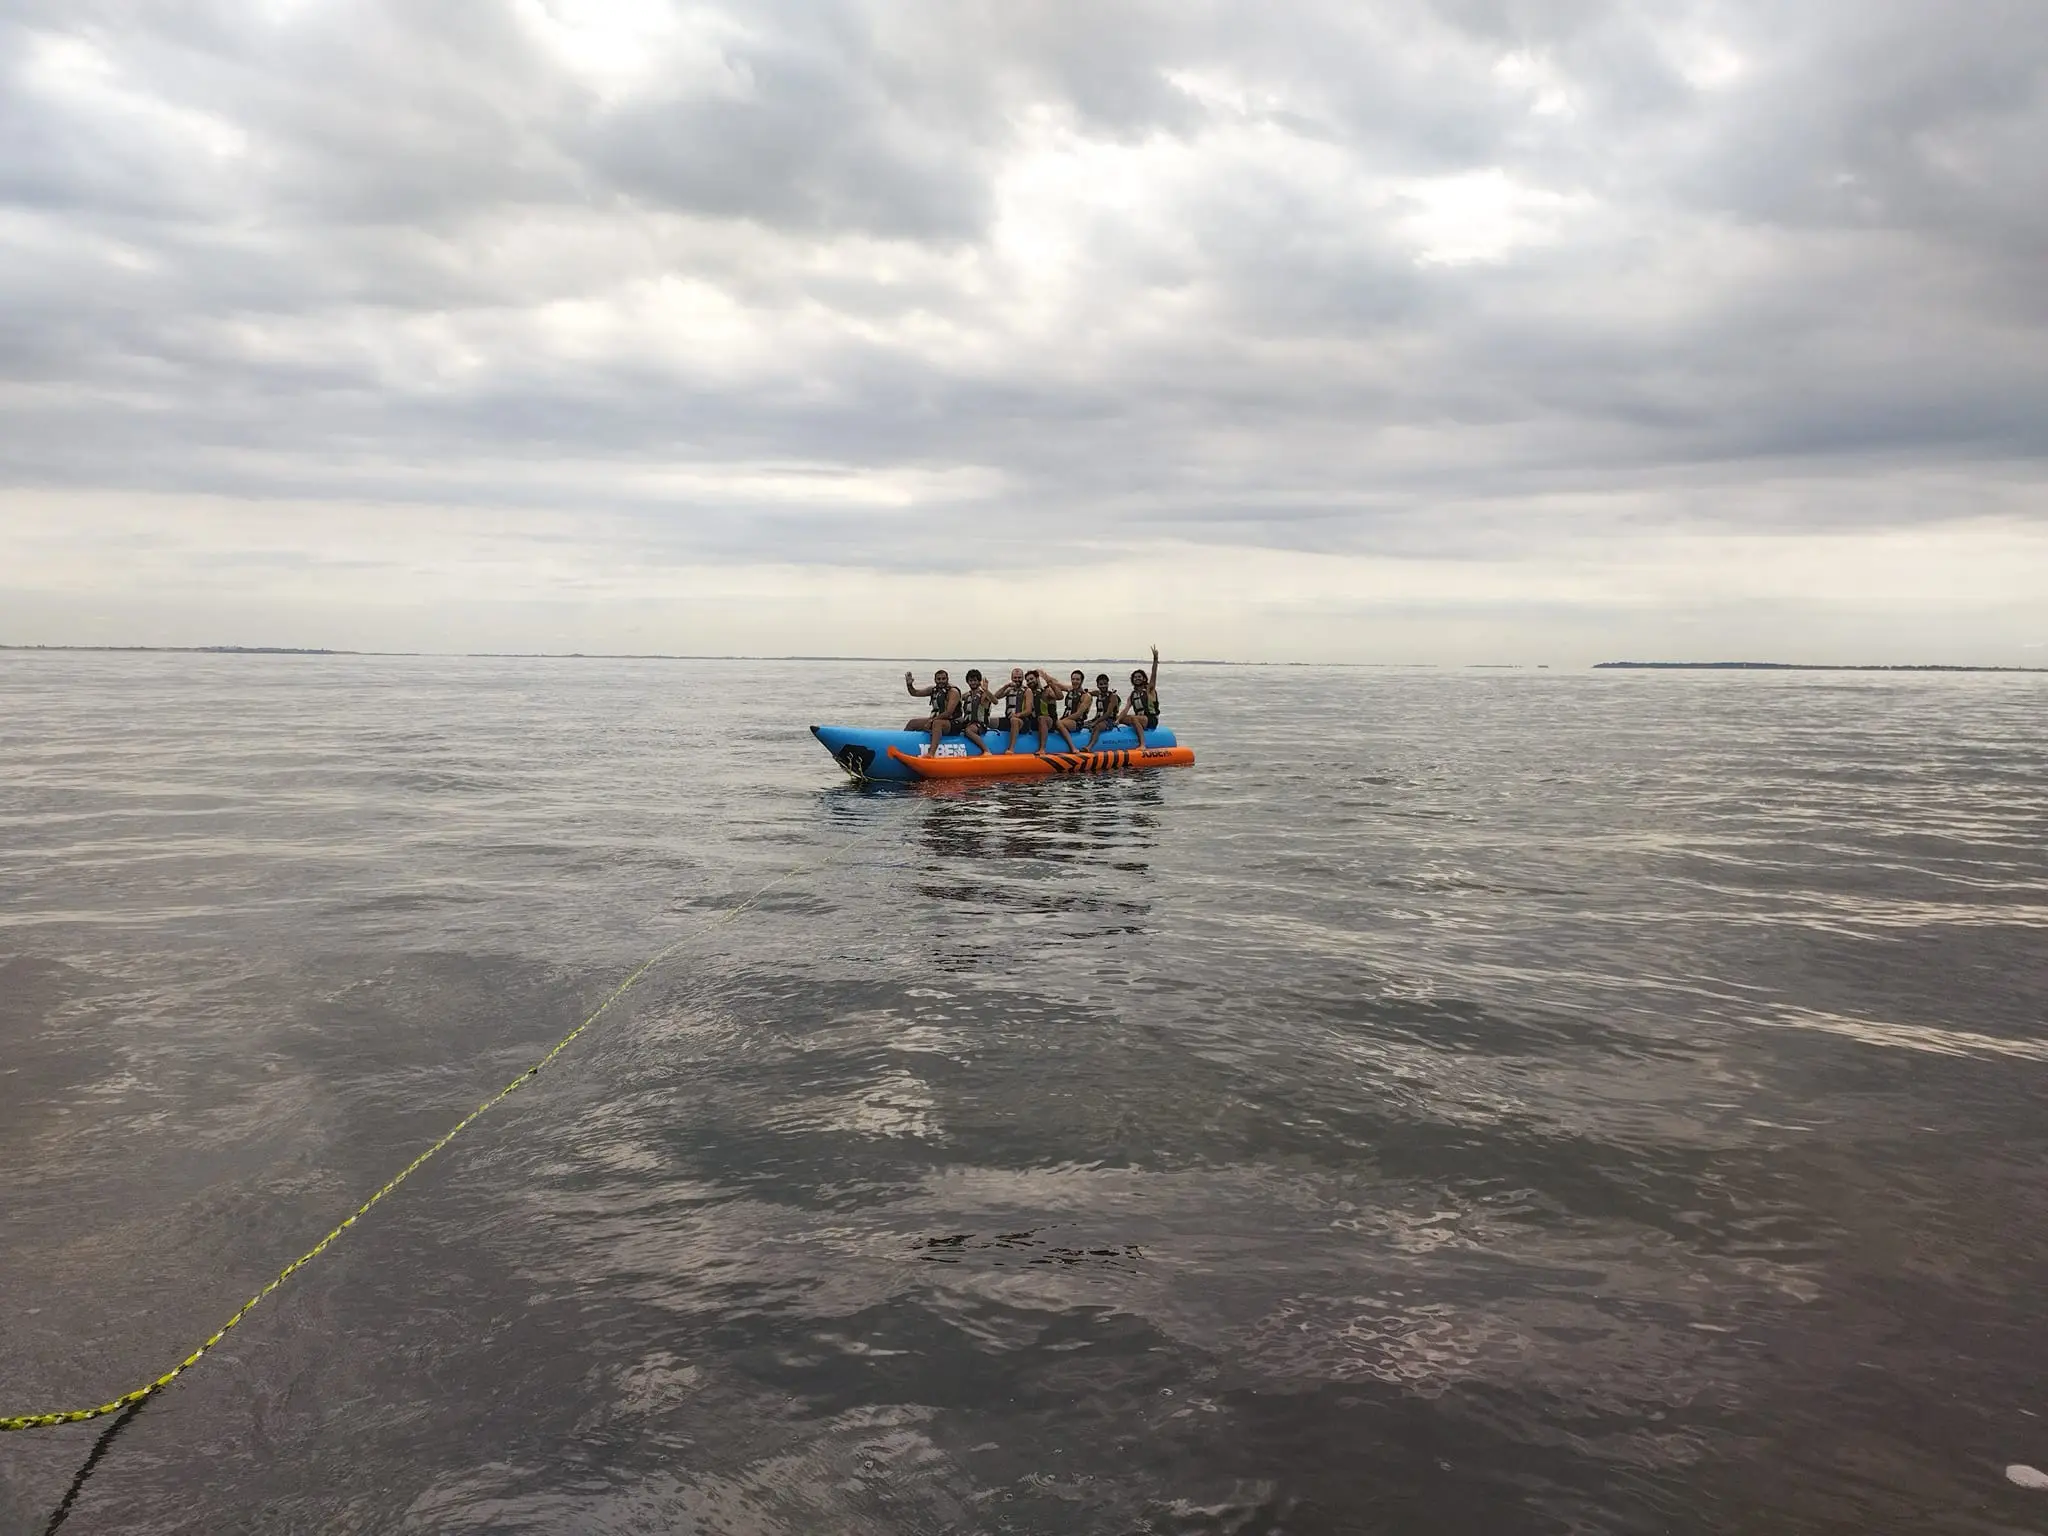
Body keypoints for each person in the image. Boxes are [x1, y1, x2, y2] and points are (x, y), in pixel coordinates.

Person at [904, 668, 960, 752]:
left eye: (943, 679)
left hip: (953, 723)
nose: (941, 681)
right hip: (936, 720)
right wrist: (909, 685)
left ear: (947, 679)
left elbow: (948, 713)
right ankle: (903, 745)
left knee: (937, 724)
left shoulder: (953, 692)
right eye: (938, 679)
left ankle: (931, 753)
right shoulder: (933, 690)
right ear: (935, 680)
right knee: (912, 723)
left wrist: (931, 721)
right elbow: (914, 693)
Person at [1117, 646, 1162, 748]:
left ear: (1144, 678)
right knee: (1121, 718)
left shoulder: (1149, 689)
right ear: (1132, 680)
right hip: (1140, 719)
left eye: (1139, 677)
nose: (1137, 679)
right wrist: (1117, 720)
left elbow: (1154, 674)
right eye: (1135, 677)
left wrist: (1155, 660)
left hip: (1151, 719)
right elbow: (1125, 709)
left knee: (1134, 718)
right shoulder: (1132, 695)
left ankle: (1142, 744)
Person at [954, 669, 997, 755]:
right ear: (967, 682)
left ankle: (986, 750)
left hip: (980, 724)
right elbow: (954, 700)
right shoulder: (967, 695)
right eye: (971, 681)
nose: (973, 683)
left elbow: (995, 701)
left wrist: (986, 690)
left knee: (968, 731)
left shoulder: (983, 694)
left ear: (979, 682)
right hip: (967, 722)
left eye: (975, 681)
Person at [995, 666, 1038, 754]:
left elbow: (1028, 710)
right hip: (1008, 720)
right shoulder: (1009, 690)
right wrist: (1006, 686)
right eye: (1015, 678)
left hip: (1023, 722)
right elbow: (996, 696)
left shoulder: (1027, 691)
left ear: (1022, 678)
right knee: (990, 721)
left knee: (1014, 720)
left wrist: (1017, 715)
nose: (1017, 680)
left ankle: (1011, 749)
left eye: (1019, 678)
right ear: (1011, 678)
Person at [1052, 669, 1093, 751]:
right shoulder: (1070, 690)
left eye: (1077, 679)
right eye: (1073, 679)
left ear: (1082, 681)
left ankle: (1072, 747)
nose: (1075, 681)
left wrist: (1062, 720)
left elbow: (1078, 714)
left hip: (1076, 722)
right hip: (1066, 719)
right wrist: (1045, 676)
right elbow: (1058, 684)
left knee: (1058, 723)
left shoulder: (1086, 696)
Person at [1082, 671, 1122, 749]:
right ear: (1097, 685)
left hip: (1109, 720)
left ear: (1108, 684)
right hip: (1098, 718)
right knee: (1082, 724)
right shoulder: (1098, 693)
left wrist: (1095, 722)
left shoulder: (1113, 696)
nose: (1103, 686)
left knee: (1098, 726)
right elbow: (1088, 693)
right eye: (1101, 684)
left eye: (1105, 684)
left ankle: (1089, 746)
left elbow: (1108, 713)